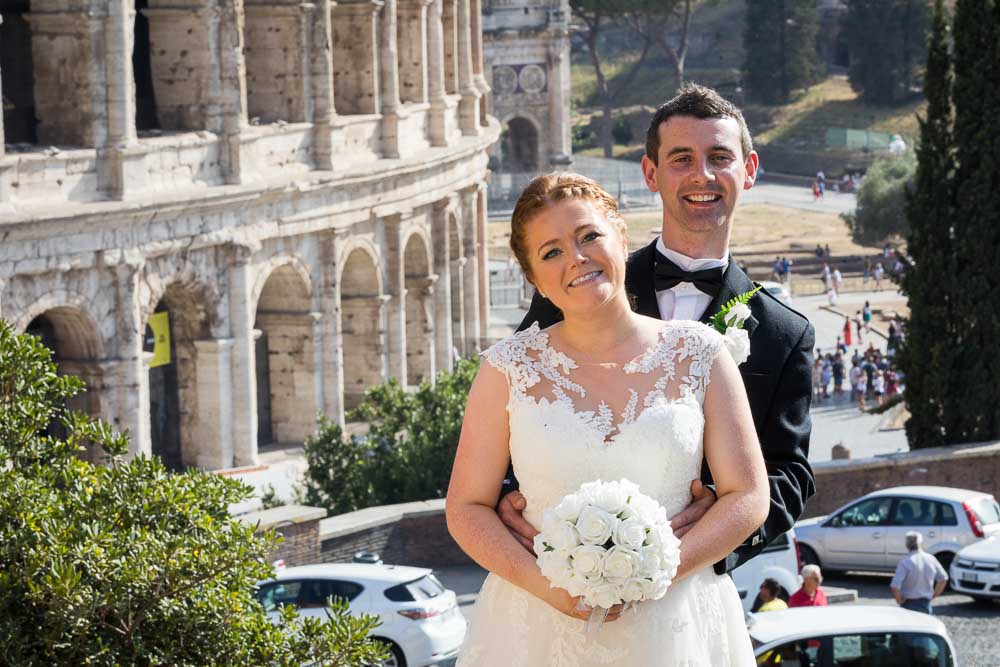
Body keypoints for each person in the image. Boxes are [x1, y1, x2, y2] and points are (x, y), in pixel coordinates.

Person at [447, 172, 770, 664]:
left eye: (588, 236)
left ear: (621, 236)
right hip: (539, 625)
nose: (576, 258)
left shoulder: (699, 352)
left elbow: (748, 496)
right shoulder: (506, 370)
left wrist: (657, 570)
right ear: (535, 278)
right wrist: (552, 589)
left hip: (676, 620)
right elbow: (466, 509)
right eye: (551, 252)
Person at [496, 84, 816, 579]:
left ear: (748, 170)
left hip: (693, 584)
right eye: (681, 159)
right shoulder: (579, 287)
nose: (701, 176)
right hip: (564, 570)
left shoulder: (783, 332)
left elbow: (790, 474)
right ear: (651, 172)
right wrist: (505, 500)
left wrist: (715, 537)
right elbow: (507, 401)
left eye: (719, 157)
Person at [890, 532, 948, 614]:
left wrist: (899, 600)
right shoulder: (931, 559)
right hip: (925, 604)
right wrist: (934, 595)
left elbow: (895, 586)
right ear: (921, 543)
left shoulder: (905, 561)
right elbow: (943, 579)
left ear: (907, 545)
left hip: (909, 604)